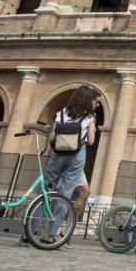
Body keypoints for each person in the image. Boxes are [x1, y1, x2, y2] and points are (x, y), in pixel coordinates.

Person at [32, 86, 99, 244]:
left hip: (59, 154)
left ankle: (32, 229)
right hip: (77, 155)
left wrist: (52, 147)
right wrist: (91, 130)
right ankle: (50, 234)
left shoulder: (62, 113)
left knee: (45, 190)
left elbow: (53, 136)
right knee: (65, 195)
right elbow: (91, 141)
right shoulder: (89, 117)